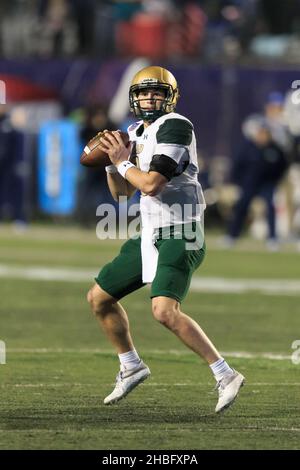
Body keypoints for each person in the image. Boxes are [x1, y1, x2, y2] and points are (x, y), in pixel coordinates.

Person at [87, 66, 245, 413]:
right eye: (143, 93)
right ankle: (131, 365)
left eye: (156, 92)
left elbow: (151, 184)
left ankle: (225, 373)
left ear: (170, 97)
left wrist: (122, 162)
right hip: (152, 232)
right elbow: (122, 194)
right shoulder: (135, 132)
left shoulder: (176, 126)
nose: (149, 99)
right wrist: (113, 165)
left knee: (163, 311)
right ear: (133, 97)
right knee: (99, 298)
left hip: (183, 231)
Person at [225, 117, 289, 248]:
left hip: (268, 184)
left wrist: (276, 180)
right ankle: (232, 236)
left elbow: (283, 166)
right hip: (249, 184)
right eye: (261, 132)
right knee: (241, 208)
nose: (263, 136)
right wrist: (237, 182)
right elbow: (237, 166)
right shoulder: (247, 147)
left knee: (271, 207)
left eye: (266, 133)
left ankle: (272, 239)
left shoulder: (275, 149)